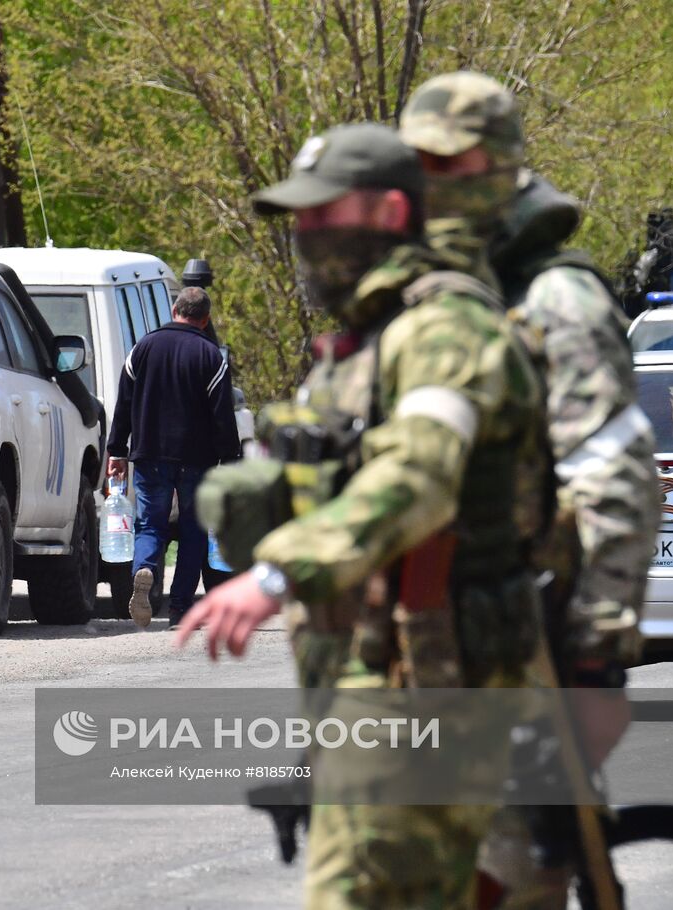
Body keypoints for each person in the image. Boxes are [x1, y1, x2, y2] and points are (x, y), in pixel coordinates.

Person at [176, 122, 546, 908]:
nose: (305, 241)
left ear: (386, 213)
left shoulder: (445, 333)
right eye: (299, 223)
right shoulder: (358, 353)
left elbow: (419, 474)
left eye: (322, 218)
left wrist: (278, 574)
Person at [400, 71, 663, 909]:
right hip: (427, 655)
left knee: (506, 882)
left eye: (453, 164)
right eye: (422, 167)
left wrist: (596, 652)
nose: (433, 185)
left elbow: (614, 471)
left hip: (524, 655)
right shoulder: (433, 295)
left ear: (501, 166)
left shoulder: (555, 297)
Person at [107, 286, 241, 629]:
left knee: (150, 523)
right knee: (194, 529)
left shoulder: (143, 348)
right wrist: (230, 458)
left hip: (150, 454)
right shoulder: (211, 356)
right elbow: (223, 414)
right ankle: (181, 608)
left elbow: (123, 403)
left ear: (174, 309)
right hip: (198, 458)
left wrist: (116, 451)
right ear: (205, 319)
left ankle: (145, 568)